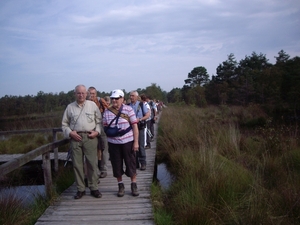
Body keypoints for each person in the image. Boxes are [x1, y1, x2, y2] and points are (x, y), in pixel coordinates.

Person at [62, 84, 102, 199]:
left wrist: (97, 132)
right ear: (75, 94)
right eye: (78, 93)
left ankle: (94, 187)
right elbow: (64, 124)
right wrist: (70, 133)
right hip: (76, 138)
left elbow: (99, 121)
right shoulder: (70, 107)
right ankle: (80, 189)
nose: (81, 95)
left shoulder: (92, 105)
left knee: (92, 163)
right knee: (77, 165)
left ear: (86, 94)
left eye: (83, 93)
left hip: (90, 137)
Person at [102, 89, 140, 197]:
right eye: (113, 98)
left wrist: (136, 142)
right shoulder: (107, 112)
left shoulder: (129, 110)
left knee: (131, 163)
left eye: (117, 98)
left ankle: (133, 185)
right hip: (113, 143)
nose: (114, 101)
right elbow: (105, 126)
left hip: (128, 142)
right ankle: (120, 185)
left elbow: (135, 126)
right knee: (116, 164)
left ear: (122, 99)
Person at [88, 86, 109, 178]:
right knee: (93, 149)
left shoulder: (101, 101)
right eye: (90, 94)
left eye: (93, 94)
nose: (91, 95)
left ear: (96, 94)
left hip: (102, 127)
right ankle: (95, 171)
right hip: (91, 128)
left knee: (104, 148)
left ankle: (104, 169)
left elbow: (108, 110)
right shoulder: (86, 103)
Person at [129, 90, 150, 170]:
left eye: (133, 96)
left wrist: (140, 119)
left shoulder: (141, 104)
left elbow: (147, 115)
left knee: (140, 145)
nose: (131, 97)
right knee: (132, 146)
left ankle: (143, 163)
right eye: (130, 96)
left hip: (139, 127)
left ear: (137, 97)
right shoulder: (128, 105)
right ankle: (135, 163)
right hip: (130, 129)